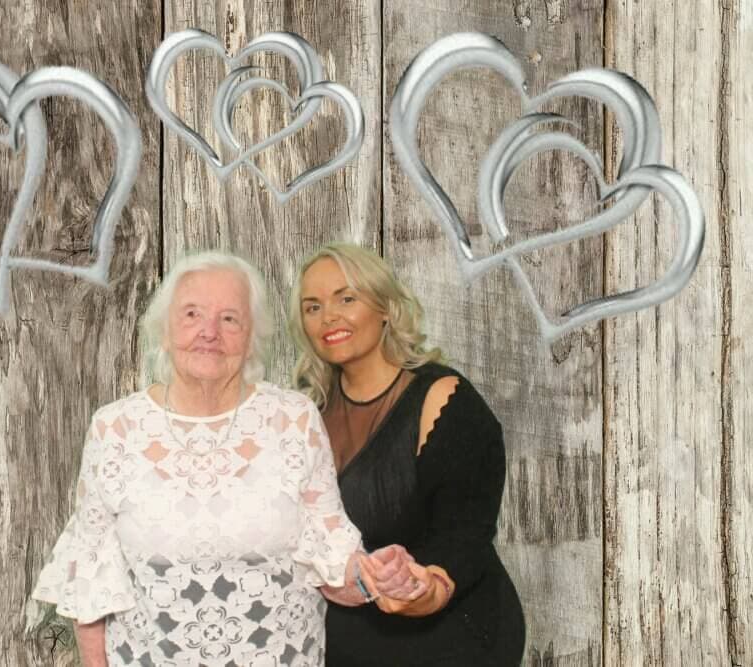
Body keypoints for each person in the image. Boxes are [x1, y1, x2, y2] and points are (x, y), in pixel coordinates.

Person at [30, 250, 413, 666]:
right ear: (164, 330)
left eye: (229, 319)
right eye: (192, 314)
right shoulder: (116, 428)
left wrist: (375, 575)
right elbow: (91, 581)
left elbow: (333, 562)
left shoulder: (293, 419)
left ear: (252, 337)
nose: (209, 332)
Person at [288, 243, 526, 666]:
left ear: (384, 308)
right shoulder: (303, 415)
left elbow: (466, 530)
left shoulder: (441, 397)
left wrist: (427, 587)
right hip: (347, 641)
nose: (329, 317)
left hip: (449, 633)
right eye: (313, 306)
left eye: (347, 298)